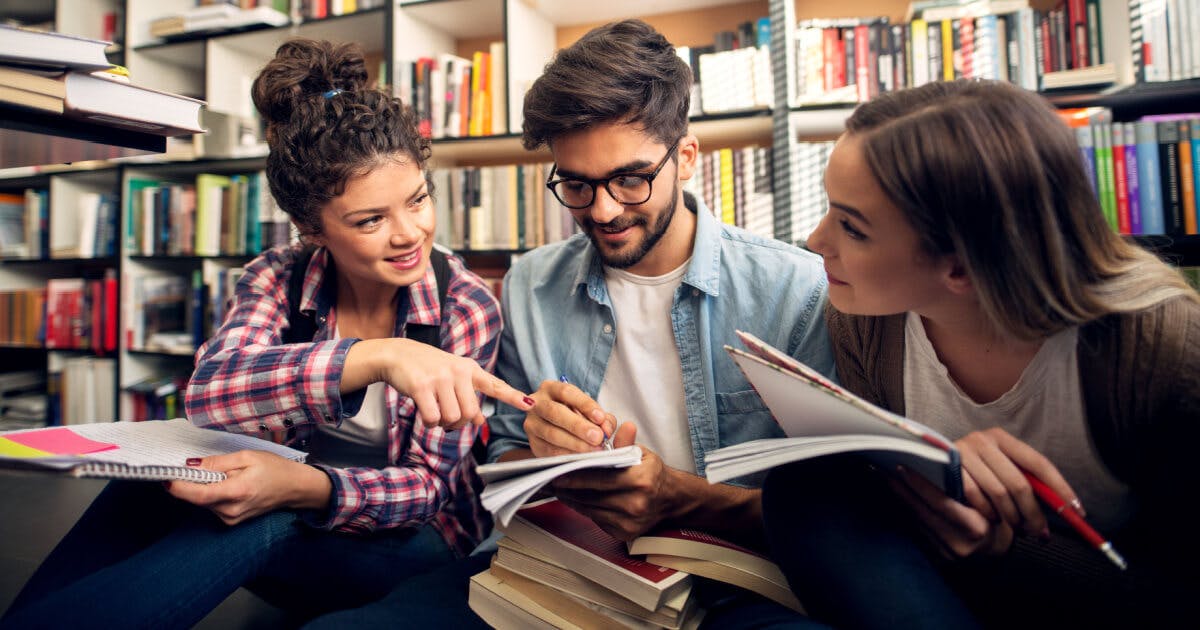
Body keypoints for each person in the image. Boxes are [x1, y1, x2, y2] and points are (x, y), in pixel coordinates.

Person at [305, 19, 835, 629]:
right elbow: (498, 459)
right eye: (577, 185)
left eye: (630, 179)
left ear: (686, 157)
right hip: (555, 567)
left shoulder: (796, 291)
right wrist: (537, 447)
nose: (604, 210)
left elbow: (837, 516)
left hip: (737, 587)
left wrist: (681, 497)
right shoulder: (530, 284)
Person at [0, 39, 533, 629]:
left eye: (418, 200)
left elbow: (429, 489)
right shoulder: (277, 276)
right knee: (153, 481)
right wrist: (378, 356)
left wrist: (305, 485)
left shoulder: (466, 306)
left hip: (408, 546)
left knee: (268, 512)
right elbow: (209, 394)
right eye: (371, 220)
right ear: (311, 228)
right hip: (287, 526)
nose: (410, 234)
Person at [761, 79, 1200, 629]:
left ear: (962, 267)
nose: (814, 240)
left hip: (1101, 603)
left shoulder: (1159, 350)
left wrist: (1008, 549)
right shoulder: (862, 321)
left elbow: (1180, 590)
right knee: (807, 490)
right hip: (941, 588)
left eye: (852, 227)